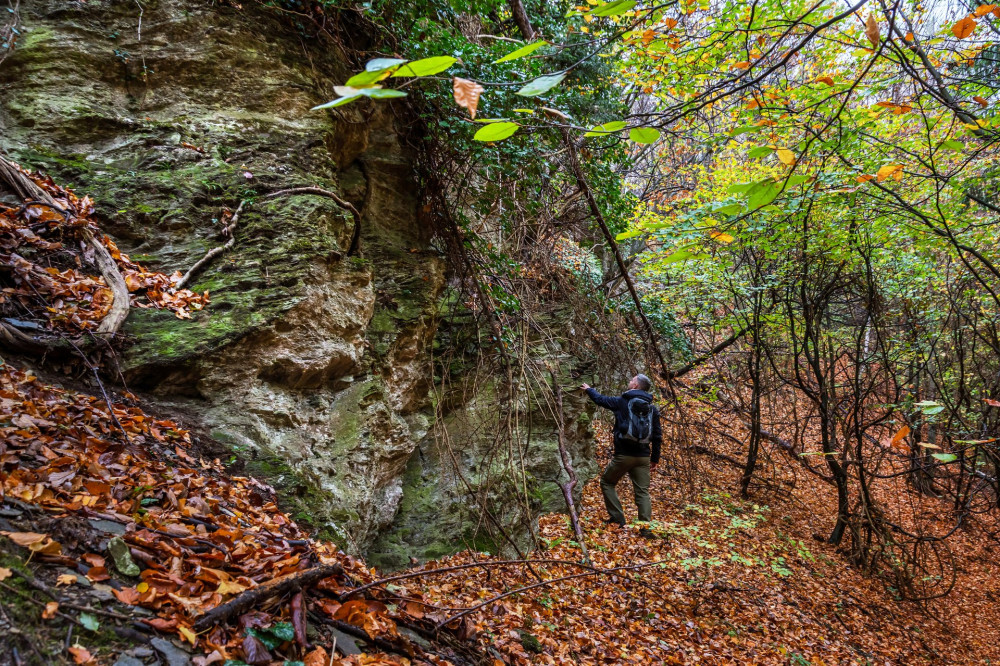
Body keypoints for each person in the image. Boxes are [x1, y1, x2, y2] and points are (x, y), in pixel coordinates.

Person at [581, 374, 662, 536]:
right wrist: (654, 459)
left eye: (632, 380)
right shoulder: (652, 409)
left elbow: (601, 400)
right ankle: (645, 529)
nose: (629, 381)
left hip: (624, 455)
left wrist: (590, 390)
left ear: (636, 386)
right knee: (642, 492)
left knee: (607, 482)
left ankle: (618, 518)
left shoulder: (622, 402)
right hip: (643, 457)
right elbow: (658, 436)